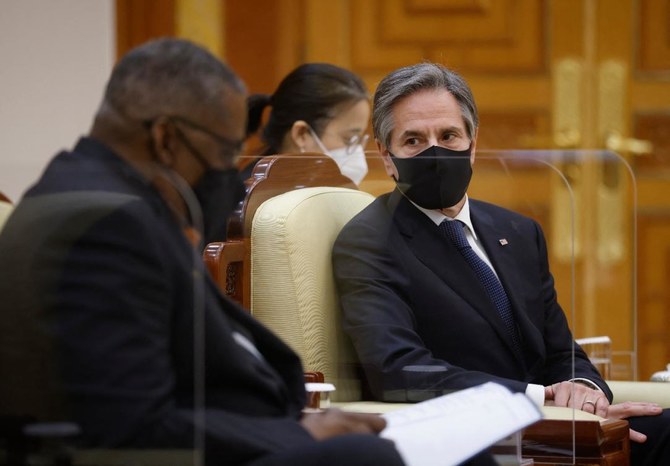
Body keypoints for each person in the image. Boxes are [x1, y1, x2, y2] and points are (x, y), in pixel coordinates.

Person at [0, 38, 406, 466]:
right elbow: (130, 428)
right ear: (166, 139)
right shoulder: (103, 221)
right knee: (363, 457)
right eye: (226, 151)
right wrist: (296, 434)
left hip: (231, 433)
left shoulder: (104, 197)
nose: (229, 172)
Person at [332, 62, 670, 466]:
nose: (435, 151)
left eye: (449, 135)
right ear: (387, 157)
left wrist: (583, 391)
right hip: (475, 439)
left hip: (557, 427)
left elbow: (561, 350)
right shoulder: (369, 241)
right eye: (413, 140)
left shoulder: (518, 230)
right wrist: (541, 397)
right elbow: (399, 370)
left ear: (473, 145)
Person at [242, 63, 370, 185]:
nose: (358, 153)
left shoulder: (316, 196)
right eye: (349, 139)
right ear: (301, 134)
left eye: (359, 140)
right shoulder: (250, 201)